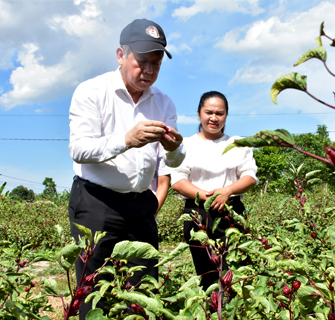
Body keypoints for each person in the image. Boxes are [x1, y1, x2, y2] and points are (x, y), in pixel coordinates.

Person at [68, 18, 185, 319]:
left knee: (144, 288)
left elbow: (171, 162)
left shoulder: (164, 103)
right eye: (142, 61)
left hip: (140, 207)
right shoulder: (92, 91)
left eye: (156, 63)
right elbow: (79, 148)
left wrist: (174, 149)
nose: (149, 70)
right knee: (92, 290)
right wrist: (126, 140)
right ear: (121, 55)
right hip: (97, 203)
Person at [171, 91, 258, 290]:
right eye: (209, 112)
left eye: (219, 113)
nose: (214, 118)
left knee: (235, 269)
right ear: (199, 113)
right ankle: (213, 309)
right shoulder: (186, 144)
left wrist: (227, 191)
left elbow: (250, 177)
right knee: (207, 272)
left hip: (231, 211)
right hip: (197, 213)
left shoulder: (237, 143)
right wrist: (207, 196)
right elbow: (177, 180)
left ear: (226, 115)